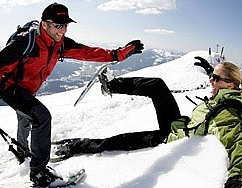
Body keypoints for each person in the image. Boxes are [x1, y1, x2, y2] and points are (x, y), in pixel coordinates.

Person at [0, 2, 144, 187]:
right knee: (41, 117)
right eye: (58, 25)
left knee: (27, 118)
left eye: (65, 25)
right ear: (45, 24)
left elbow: (87, 52)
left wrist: (117, 54)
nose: (63, 30)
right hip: (9, 86)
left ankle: (23, 151)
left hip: (28, 89)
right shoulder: (25, 41)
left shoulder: (59, 44)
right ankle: (38, 173)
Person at [55, 57, 242, 188]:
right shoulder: (225, 94)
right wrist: (211, 70)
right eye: (212, 77)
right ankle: (111, 85)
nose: (211, 81)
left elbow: (235, 143)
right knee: (157, 86)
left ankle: (74, 146)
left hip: (171, 138)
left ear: (230, 84)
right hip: (178, 125)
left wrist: (236, 177)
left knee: (120, 141)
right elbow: (220, 85)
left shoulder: (227, 110)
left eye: (215, 79)